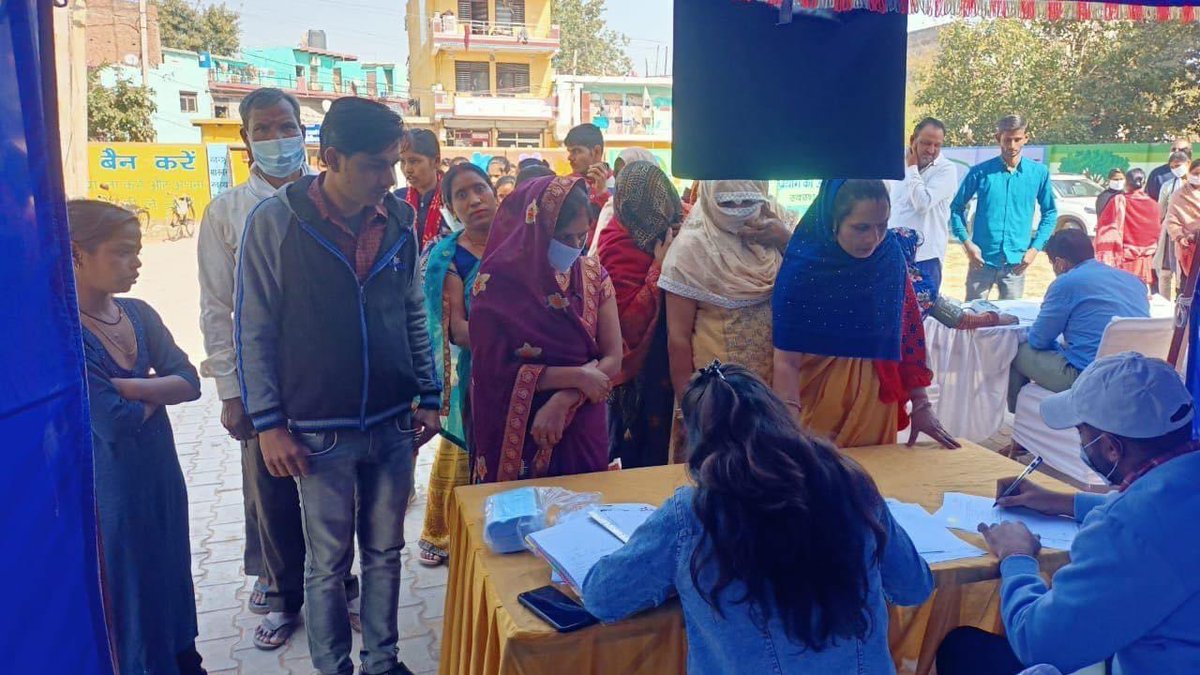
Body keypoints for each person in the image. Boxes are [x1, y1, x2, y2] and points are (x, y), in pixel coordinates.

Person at [236, 97, 441, 675]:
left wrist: (428, 394)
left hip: (393, 423)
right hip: (316, 431)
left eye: (395, 163)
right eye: (376, 165)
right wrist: (269, 424)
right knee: (327, 564)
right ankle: (333, 667)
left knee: (386, 554)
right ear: (331, 158)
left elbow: (411, 314)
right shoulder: (276, 222)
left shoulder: (398, 221)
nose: (391, 178)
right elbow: (253, 329)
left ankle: (383, 661)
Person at [581, 362, 934, 674]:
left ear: (695, 440)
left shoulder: (692, 515)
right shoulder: (848, 483)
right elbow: (913, 586)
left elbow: (603, 597)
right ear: (777, 416)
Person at [198, 87, 360, 649]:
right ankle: (284, 594)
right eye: (262, 130)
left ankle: (343, 584)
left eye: (285, 126)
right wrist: (231, 390)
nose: (276, 139)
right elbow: (218, 306)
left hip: (331, 377)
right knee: (272, 492)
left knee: (338, 485)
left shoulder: (332, 200)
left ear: (304, 132)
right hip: (264, 377)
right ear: (245, 141)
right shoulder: (226, 213)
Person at [938, 352, 1200, 675]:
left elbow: (1037, 644)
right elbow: (1169, 505)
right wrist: (1061, 501)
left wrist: (1016, 556)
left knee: (962, 652)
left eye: (1081, 432)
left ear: (1111, 449)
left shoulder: (1126, 531)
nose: (1081, 442)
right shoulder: (1175, 485)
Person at [71, 200, 206, 674]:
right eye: (123, 253)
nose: (137, 263)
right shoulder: (67, 335)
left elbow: (190, 381)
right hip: (114, 494)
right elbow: (112, 422)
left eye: (138, 251)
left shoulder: (138, 314)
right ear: (77, 255)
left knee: (172, 579)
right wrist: (155, 390)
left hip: (162, 480)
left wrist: (129, 387)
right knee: (131, 595)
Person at [772, 179, 959, 449]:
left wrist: (921, 403)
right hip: (811, 404)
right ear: (833, 221)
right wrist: (789, 427)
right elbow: (786, 361)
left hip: (874, 400)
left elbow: (908, 329)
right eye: (860, 228)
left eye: (882, 226)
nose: (873, 238)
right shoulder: (804, 268)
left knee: (873, 481)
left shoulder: (889, 257)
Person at [468, 175, 622, 482]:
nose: (576, 248)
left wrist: (564, 399)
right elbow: (490, 370)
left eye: (582, 237)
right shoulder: (497, 285)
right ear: (536, 229)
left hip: (580, 419)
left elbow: (613, 358)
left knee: (584, 515)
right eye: (565, 238)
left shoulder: (593, 276)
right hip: (516, 425)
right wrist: (577, 375)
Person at [659, 180, 795, 461]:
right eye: (727, 203)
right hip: (716, 397)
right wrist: (690, 408)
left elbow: (813, 286)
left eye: (746, 202)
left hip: (775, 388)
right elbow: (678, 339)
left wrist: (786, 241)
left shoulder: (780, 229)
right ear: (710, 198)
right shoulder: (690, 249)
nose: (738, 211)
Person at [416, 163, 497, 566]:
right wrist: (515, 340)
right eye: (461, 195)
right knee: (463, 450)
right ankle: (448, 534)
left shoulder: (522, 243)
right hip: (476, 375)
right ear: (449, 207)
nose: (474, 200)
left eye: (480, 189)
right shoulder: (447, 257)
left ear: (495, 192)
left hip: (531, 373)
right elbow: (457, 330)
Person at [595, 161, 683, 468]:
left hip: (679, 359)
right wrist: (659, 267)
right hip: (639, 377)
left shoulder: (683, 228)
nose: (655, 216)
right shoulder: (616, 244)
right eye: (644, 209)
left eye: (661, 205)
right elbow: (626, 325)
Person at [1007, 229, 1149, 412]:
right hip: (1136, 374)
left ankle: (1021, 427)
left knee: (1018, 350)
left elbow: (1038, 340)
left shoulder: (1066, 283)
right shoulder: (1133, 281)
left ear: (1059, 263)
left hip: (1088, 378)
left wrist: (1060, 348)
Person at [950, 115, 1058, 300]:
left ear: (1026, 138)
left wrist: (1035, 249)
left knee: (1011, 322)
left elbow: (1050, 213)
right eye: (1007, 140)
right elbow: (956, 208)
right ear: (997, 138)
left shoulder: (1038, 173)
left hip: (1016, 264)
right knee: (973, 319)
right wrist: (967, 244)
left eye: (1017, 139)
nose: (1012, 145)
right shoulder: (980, 172)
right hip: (981, 261)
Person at [888, 117, 957, 314]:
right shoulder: (895, 165)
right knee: (893, 317)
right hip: (895, 254)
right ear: (912, 140)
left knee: (919, 321)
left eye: (937, 145)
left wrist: (911, 169)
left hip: (926, 258)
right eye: (926, 143)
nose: (931, 150)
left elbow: (923, 203)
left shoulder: (946, 169)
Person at [1094, 168, 1161, 287]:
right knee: (1140, 291)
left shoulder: (1118, 201)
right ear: (1144, 183)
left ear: (1126, 183)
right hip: (1145, 260)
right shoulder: (1154, 205)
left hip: (1124, 260)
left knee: (1122, 291)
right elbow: (1156, 231)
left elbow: (1106, 228)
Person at [589, 146, 658, 256]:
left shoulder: (666, 208)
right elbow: (595, 255)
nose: (621, 180)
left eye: (626, 174)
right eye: (617, 174)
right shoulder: (614, 206)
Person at [396, 128, 448, 252]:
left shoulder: (452, 198)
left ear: (436, 161)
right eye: (402, 162)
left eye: (414, 161)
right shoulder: (398, 200)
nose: (407, 169)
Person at [564, 123, 612, 245]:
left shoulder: (621, 184)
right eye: (569, 151)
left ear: (596, 151)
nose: (570, 158)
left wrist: (603, 195)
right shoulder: (566, 185)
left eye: (576, 151)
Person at [1152, 150, 1192, 298]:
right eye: (1172, 167)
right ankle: (1166, 304)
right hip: (1171, 235)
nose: (1176, 169)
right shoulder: (1167, 186)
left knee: (1187, 273)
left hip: (1192, 235)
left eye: (1178, 165)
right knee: (1166, 271)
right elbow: (1160, 211)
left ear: (1188, 164)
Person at [1164, 158, 1200, 285]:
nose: (1198, 177)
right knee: (1188, 288)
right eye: (1196, 173)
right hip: (1188, 248)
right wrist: (1180, 237)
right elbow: (1171, 220)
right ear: (1189, 173)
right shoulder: (1178, 195)